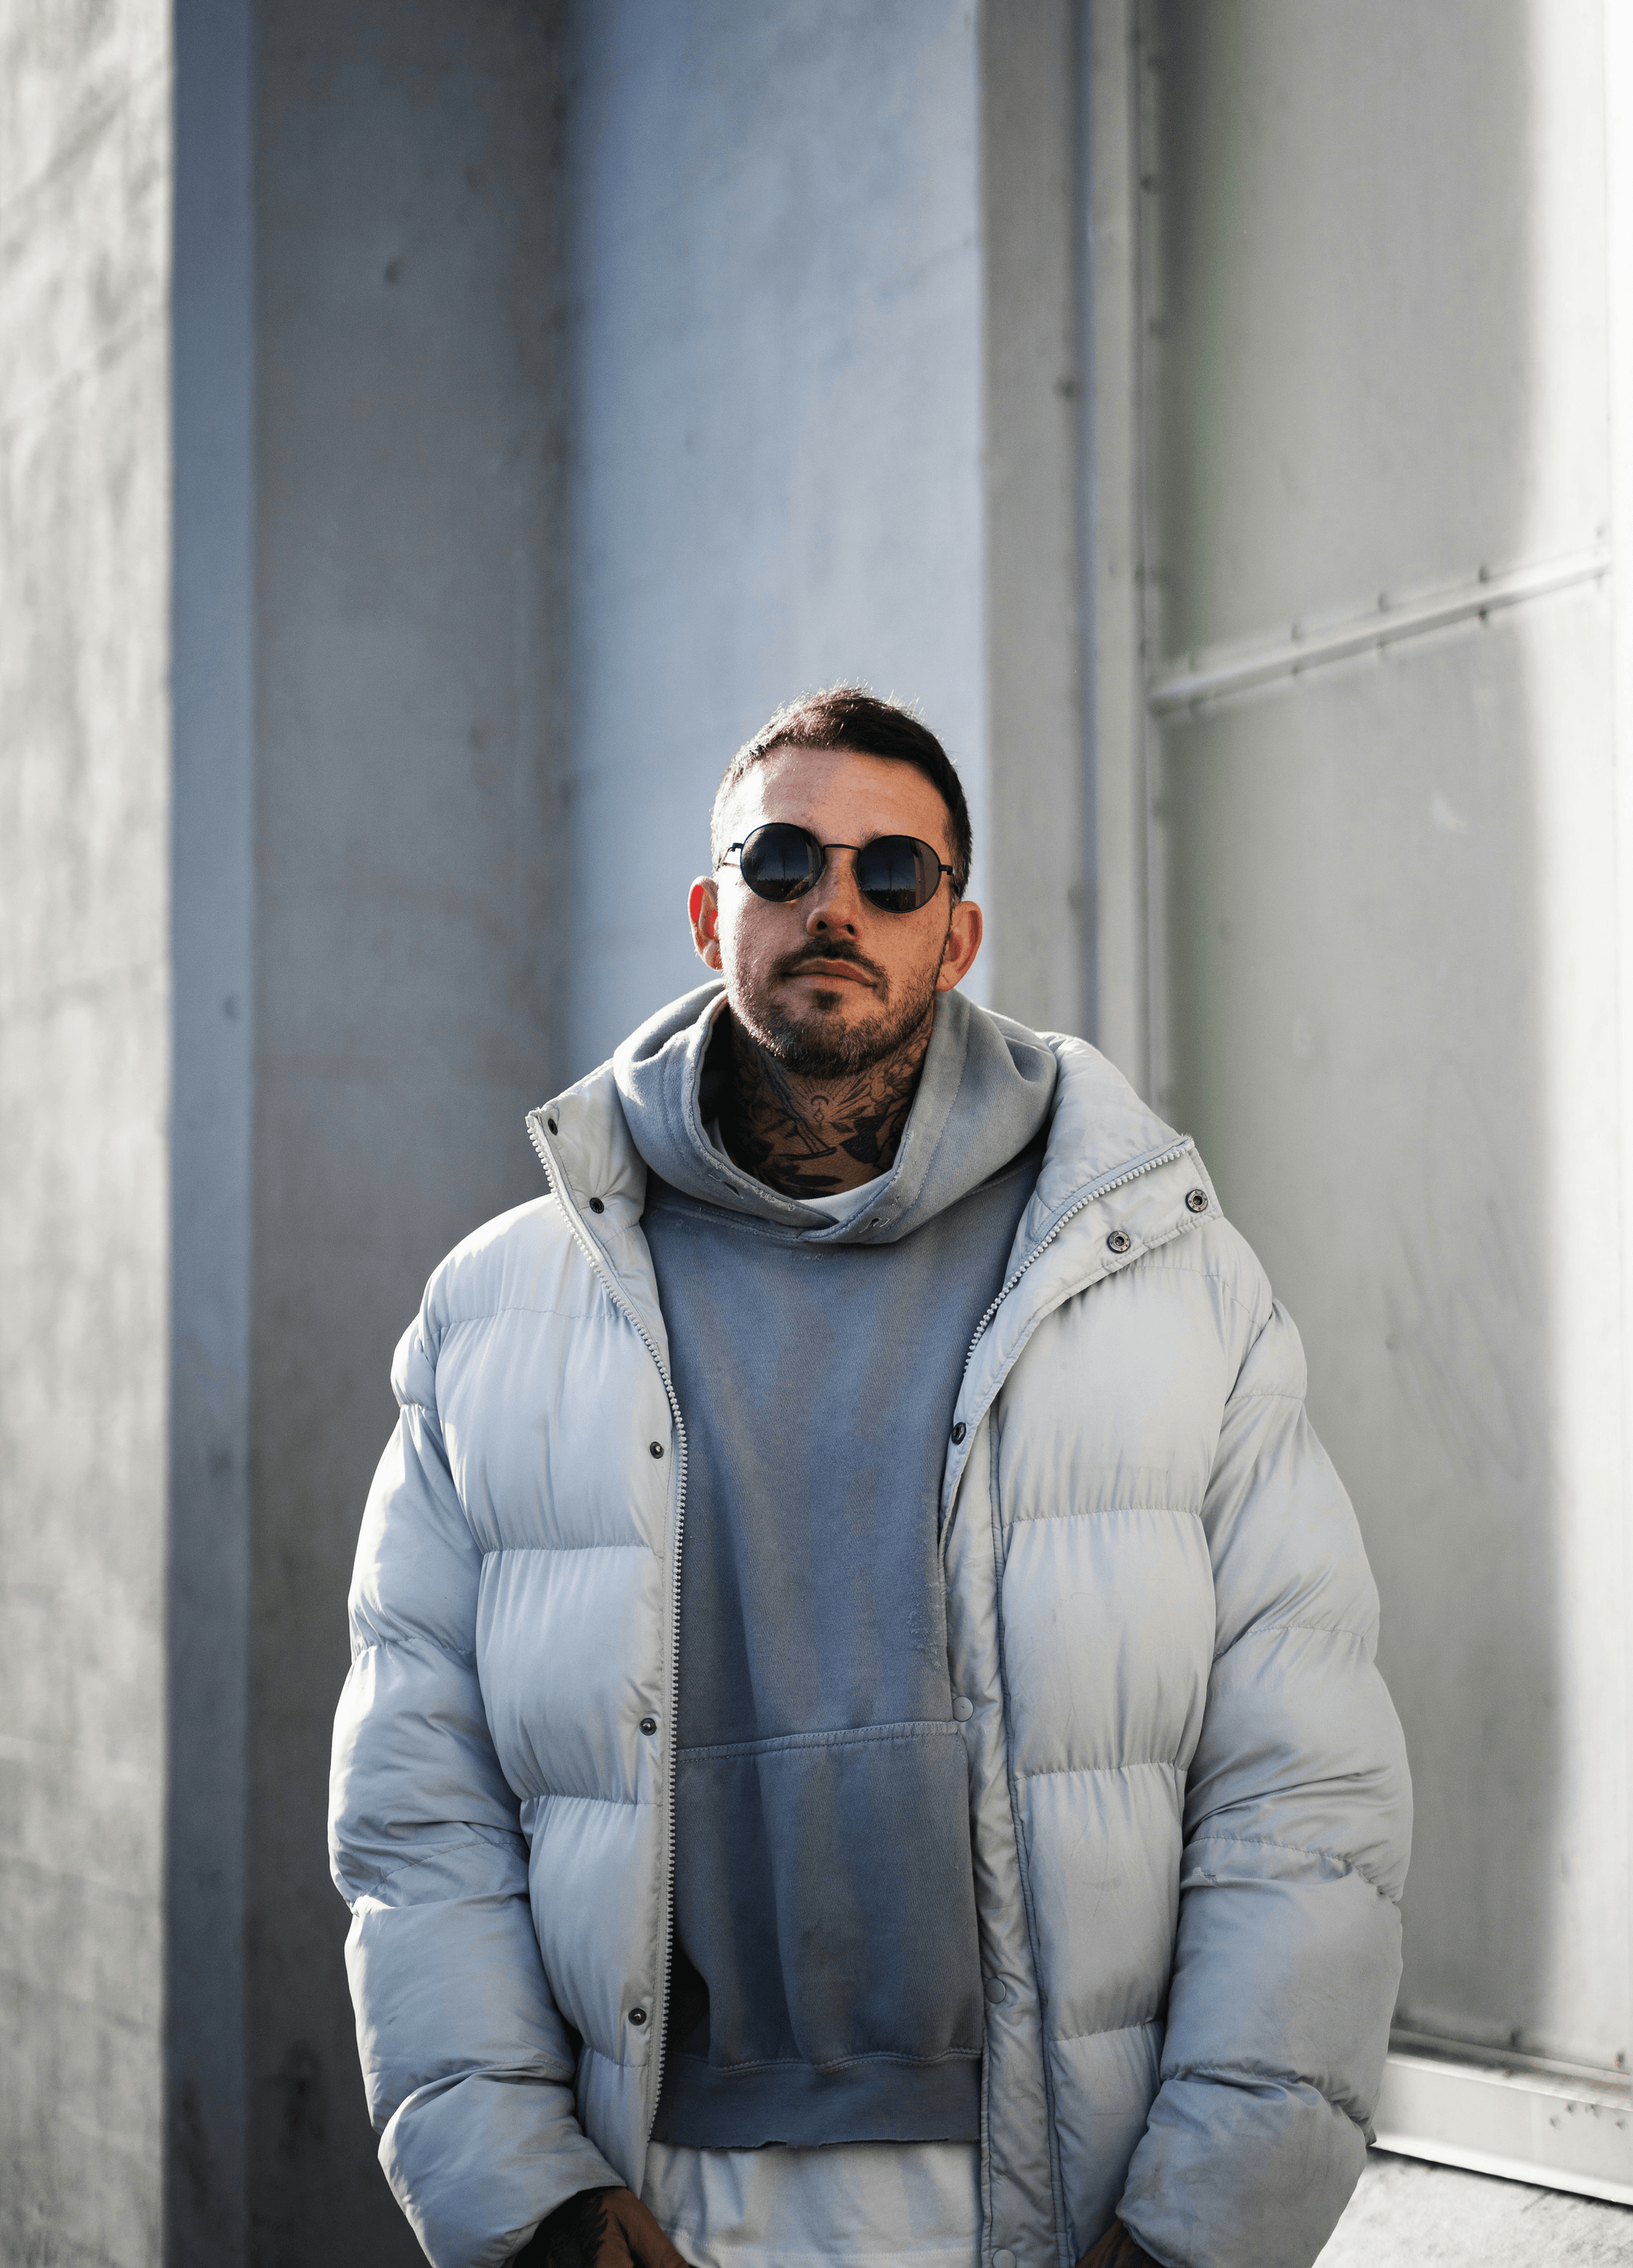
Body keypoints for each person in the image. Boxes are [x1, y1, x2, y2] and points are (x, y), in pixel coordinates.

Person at [329, 688, 1411, 2268]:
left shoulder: (1163, 1282)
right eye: (781, 863)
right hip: (656, 2182)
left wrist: (1205, 2226)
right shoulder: (503, 1308)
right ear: (711, 914)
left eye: (892, 873)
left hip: (1060, 2186)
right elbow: (417, 1801)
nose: (833, 902)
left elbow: (1303, 1791)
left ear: (955, 936)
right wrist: (524, 2186)